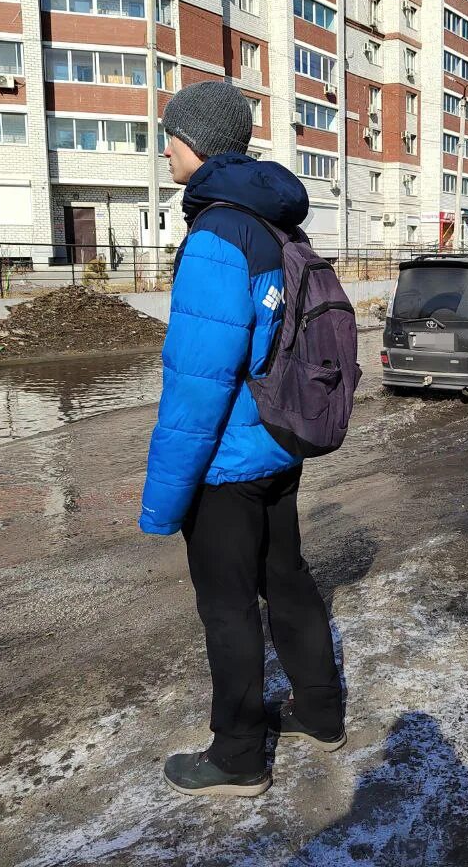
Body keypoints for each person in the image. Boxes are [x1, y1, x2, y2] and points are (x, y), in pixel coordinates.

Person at [139, 82, 345, 799]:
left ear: (196, 143)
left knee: (227, 607)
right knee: (285, 580)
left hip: (227, 465)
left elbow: (198, 383)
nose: (163, 147)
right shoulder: (281, 225)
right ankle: (320, 711)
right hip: (278, 444)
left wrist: (164, 502)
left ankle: (237, 754)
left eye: (168, 135)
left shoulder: (217, 235)